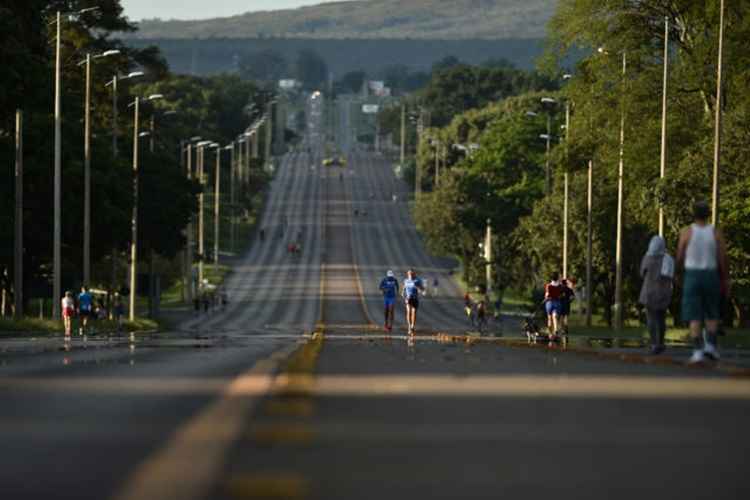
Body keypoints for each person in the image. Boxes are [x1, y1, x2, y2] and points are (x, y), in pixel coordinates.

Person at [676, 201, 730, 363]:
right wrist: (725, 277)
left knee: (694, 316)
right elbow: (722, 257)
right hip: (711, 274)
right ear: (708, 214)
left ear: (694, 214)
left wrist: (677, 273)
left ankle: (697, 351)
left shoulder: (687, 232)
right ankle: (711, 347)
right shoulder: (715, 233)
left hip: (692, 275)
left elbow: (679, 255)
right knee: (711, 313)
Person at [639, 235, 674, 355]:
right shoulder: (667, 258)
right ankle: (660, 342)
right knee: (661, 318)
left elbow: (642, 273)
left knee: (651, 318)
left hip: (648, 292)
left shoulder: (647, 257)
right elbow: (670, 275)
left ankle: (654, 343)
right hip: (663, 293)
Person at [402, 269, 425, 335]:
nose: (411, 275)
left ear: (414, 274)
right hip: (408, 298)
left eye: (412, 274)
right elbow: (404, 286)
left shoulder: (417, 280)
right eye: (409, 274)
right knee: (409, 311)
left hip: (415, 298)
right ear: (408, 274)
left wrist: (419, 289)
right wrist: (403, 292)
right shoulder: (406, 280)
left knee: (414, 312)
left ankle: (412, 326)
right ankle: (409, 326)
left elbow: (422, 288)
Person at [544, 273, 563, 339]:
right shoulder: (560, 286)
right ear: (557, 278)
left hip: (549, 303)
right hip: (557, 302)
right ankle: (555, 330)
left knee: (549, 318)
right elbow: (561, 295)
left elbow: (547, 295)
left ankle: (550, 334)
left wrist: (546, 298)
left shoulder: (548, 285)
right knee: (555, 316)